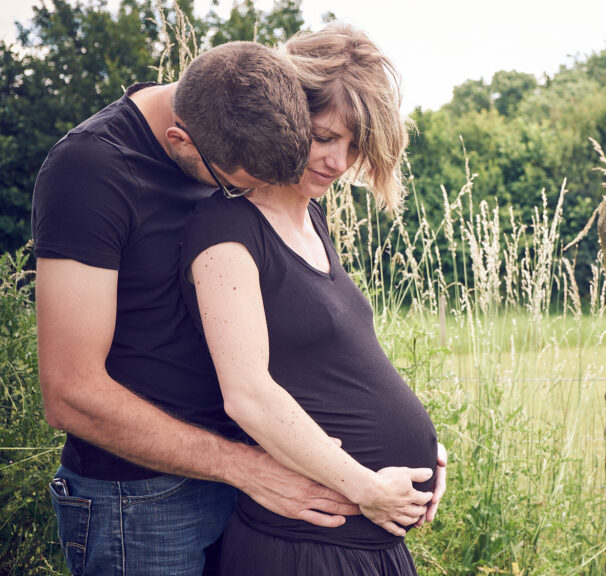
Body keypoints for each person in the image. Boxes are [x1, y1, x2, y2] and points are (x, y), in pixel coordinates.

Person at [31, 40, 441, 576]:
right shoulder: (90, 171)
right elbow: (70, 393)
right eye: (236, 187)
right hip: (142, 501)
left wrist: (407, 443)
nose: (253, 197)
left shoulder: (247, 132)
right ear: (182, 141)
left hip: (250, 485)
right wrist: (246, 467)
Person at [180, 23, 441, 575]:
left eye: (354, 145)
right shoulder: (227, 228)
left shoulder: (312, 218)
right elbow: (248, 394)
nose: (338, 162)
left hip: (367, 540)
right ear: (287, 117)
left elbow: (337, 359)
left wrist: (422, 446)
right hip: (305, 546)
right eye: (324, 136)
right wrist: (368, 486)